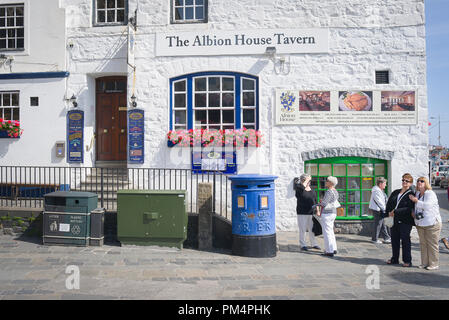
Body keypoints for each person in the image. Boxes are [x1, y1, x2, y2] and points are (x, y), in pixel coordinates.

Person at [409, 177, 442, 270]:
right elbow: (417, 207)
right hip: (421, 223)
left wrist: (416, 201)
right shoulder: (418, 193)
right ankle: (424, 263)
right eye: (418, 181)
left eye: (422, 181)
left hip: (432, 223)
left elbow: (428, 205)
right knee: (423, 244)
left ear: (426, 183)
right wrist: (413, 212)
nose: (419, 182)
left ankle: (434, 264)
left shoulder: (430, 193)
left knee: (432, 244)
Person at [385, 173, 415, 267]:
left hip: (405, 221)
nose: (404, 182)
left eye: (407, 181)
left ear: (410, 183)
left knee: (405, 240)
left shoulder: (411, 194)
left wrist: (396, 211)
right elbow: (389, 203)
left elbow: (409, 208)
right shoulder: (396, 192)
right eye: (403, 180)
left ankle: (407, 260)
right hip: (393, 220)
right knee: (394, 240)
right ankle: (395, 258)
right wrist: (388, 213)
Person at [294, 174, 320, 251]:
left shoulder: (312, 189)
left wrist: (318, 210)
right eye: (309, 180)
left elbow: (315, 200)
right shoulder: (299, 188)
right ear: (303, 180)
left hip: (311, 212)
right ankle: (303, 244)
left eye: (310, 180)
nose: (310, 181)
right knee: (302, 229)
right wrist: (305, 181)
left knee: (312, 229)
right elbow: (300, 193)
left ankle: (314, 243)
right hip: (302, 212)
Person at [316, 176, 339, 257]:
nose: (325, 182)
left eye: (327, 181)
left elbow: (324, 204)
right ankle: (334, 249)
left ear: (331, 183)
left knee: (327, 233)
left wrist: (319, 202)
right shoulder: (335, 191)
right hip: (333, 212)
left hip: (327, 213)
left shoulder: (329, 191)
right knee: (331, 232)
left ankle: (329, 251)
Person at [369, 177, 391, 244]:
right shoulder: (376, 191)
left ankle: (386, 238)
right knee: (378, 224)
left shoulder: (380, 190)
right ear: (380, 184)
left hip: (380, 209)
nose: (385, 185)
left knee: (382, 224)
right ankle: (374, 239)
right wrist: (385, 209)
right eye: (385, 183)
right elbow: (379, 201)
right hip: (378, 210)